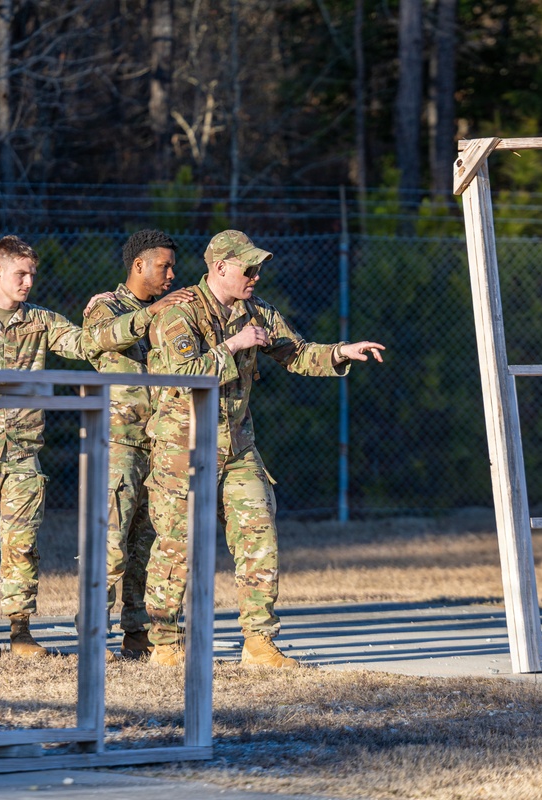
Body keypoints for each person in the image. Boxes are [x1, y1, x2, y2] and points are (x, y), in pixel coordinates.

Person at [143, 230, 385, 668]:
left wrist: (342, 352)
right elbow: (184, 375)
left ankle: (258, 642)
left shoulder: (257, 312)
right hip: (183, 448)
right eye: (248, 268)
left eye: (258, 268)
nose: (256, 276)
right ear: (220, 268)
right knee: (177, 545)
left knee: (259, 535)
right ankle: (165, 642)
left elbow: (296, 353)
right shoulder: (178, 313)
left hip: (237, 445)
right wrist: (234, 345)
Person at [0, 234, 145, 658]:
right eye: (20, 274)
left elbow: (84, 344)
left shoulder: (41, 321)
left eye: (32, 275)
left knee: (22, 544)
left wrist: (116, 314)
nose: (27, 282)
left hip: (22, 452)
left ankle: (20, 630)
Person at [82, 230, 195, 658]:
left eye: (172, 266)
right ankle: (93, 635)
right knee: (110, 542)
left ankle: (140, 633)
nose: (171, 274)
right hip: (116, 442)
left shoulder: (170, 314)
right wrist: (152, 315)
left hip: (161, 443)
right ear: (139, 266)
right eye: (164, 266)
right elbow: (97, 340)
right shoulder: (105, 306)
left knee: (148, 545)